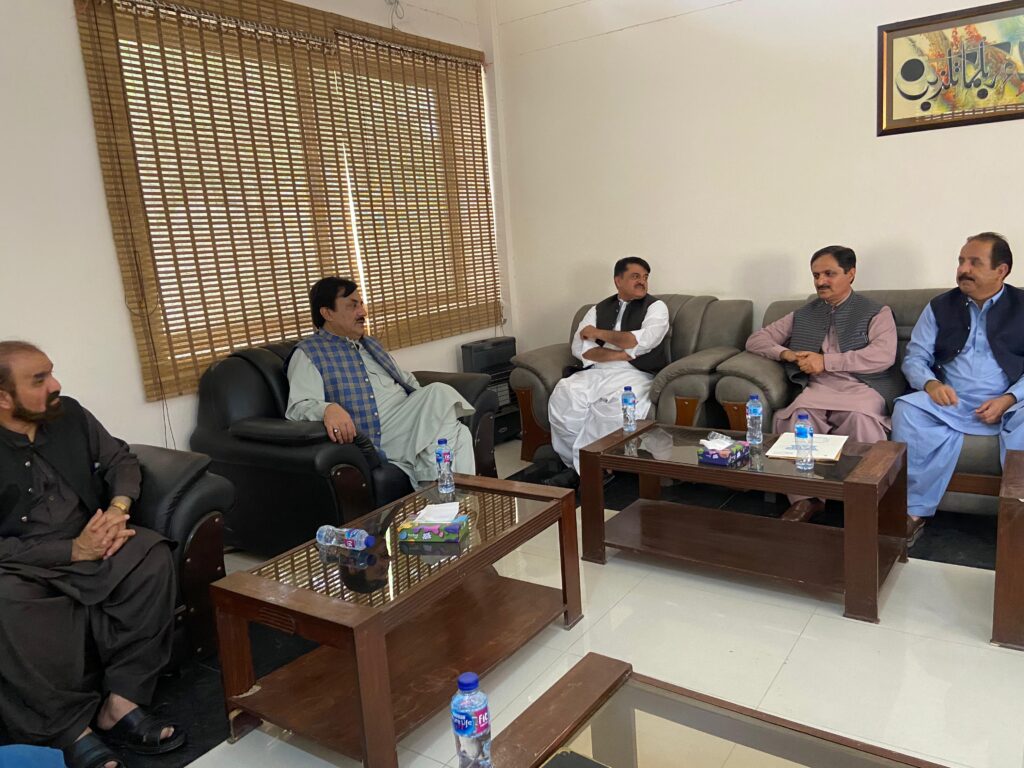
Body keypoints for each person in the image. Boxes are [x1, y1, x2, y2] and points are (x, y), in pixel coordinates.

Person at [0, 342, 184, 768]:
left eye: (51, 372)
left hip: (95, 540)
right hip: (23, 562)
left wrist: (118, 510)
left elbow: (121, 460)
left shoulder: (70, 415)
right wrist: (70, 550)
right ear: (3, 397)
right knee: (5, 599)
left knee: (150, 554)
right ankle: (67, 729)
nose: (56, 385)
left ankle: (121, 702)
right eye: (39, 380)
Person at [745, 246, 901, 522]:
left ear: (851, 274)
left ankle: (864, 501)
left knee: (861, 420)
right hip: (818, 388)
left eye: (829, 274)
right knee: (797, 418)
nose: (820, 281)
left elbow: (883, 356)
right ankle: (806, 499)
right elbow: (756, 340)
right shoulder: (804, 313)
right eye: (816, 275)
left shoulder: (876, 312)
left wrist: (826, 361)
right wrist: (787, 354)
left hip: (863, 387)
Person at [893, 232, 1024, 545]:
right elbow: (915, 358)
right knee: (907, 409)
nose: (963, 269)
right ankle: (913, 512)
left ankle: (1017, 520)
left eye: (974, 262)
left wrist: (1009, 398)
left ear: (1001, 270)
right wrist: (931, 384)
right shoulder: (940, 306)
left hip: (1011, 404)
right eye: (961, 261)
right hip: (951, 402)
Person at [287, 277, 475, 486]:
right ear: (327, 313)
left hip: (407, 419)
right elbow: (298, 406)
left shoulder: (369, 344)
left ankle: (455, 498)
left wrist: (427, 411)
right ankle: (438, 488)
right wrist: (327, 409)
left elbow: (404, 379)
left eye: (361, 304)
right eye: (353, 305)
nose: (363, 312)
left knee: (461, 434)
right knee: (438, 393)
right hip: (378, 432)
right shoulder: (309, 353)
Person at [547, 257, 670, 482]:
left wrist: (599, 334)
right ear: (618, 281)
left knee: (614, 407)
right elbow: (580, 348)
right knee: (564, 394)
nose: (642, 282)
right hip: (596, 371)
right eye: (635, 276)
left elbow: (642, 341)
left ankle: (592, 470)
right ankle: (576, 465)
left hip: (635, 373)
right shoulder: (597, 309)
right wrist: (620, 353)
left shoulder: (656, 307)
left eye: (645, 277)